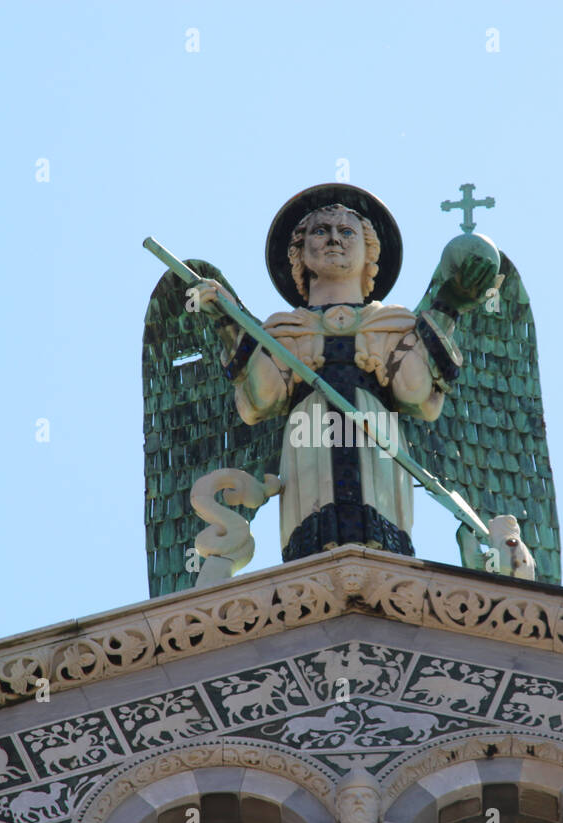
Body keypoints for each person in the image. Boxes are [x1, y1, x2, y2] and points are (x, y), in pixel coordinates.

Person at [194, 184, 483, 562]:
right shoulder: (282, 329)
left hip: (376, 438)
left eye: (347, 232)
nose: (334, 238)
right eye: (320, 231)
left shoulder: (395, 323)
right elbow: (262, 400)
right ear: (299, 253)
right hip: (307, 437)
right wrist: (230, 323)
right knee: (313, 544)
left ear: (369, 253)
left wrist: (449, 306)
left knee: (381, 544)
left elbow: (414, 395)